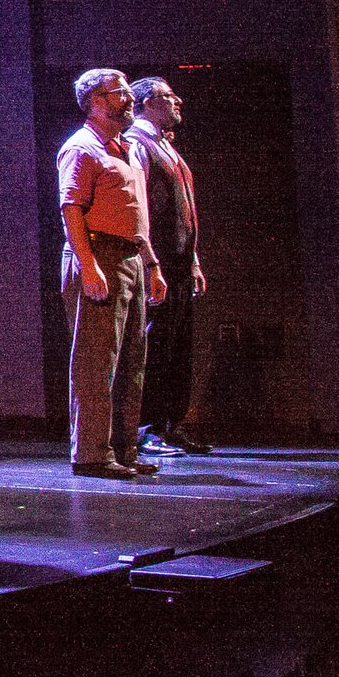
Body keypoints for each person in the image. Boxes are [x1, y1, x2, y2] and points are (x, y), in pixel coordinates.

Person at [57, 68, 169, 481]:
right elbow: (71, 209)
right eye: (119, 92)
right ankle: (91, 454)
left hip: (131, 258)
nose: (129, 98)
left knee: (131, 362)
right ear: (95, 102)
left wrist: (152, 265)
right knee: (96, 361)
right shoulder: (81, 148)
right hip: (98, 253)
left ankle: (124, 449)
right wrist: (88, 266)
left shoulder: (128, 149)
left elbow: (136, 216)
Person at [127, 76, 210, 457]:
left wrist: (192, 260)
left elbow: (184, 210)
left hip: (178, 263)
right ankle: (146, 428)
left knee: (178, 347)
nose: (177, 101)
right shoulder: (138, 143)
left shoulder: (166, 146)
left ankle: (171, 424)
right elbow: (138, 208)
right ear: (146, 102)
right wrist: (150, 262)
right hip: (157, 263)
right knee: (155, 347)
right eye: (167, 96)